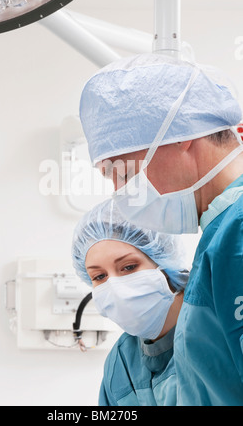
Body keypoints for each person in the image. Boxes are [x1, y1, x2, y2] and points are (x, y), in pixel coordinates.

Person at [79, 54, 243, 406]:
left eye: (122, 173)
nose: (121, 194)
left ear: (179, 136)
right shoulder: (219, 236)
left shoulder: (236, 233)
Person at [72, 198, 189, 406]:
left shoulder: (216, 330)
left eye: (129, 267)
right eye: (99, 277)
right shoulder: (121, 363)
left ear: (163, 262)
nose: (115, 287)